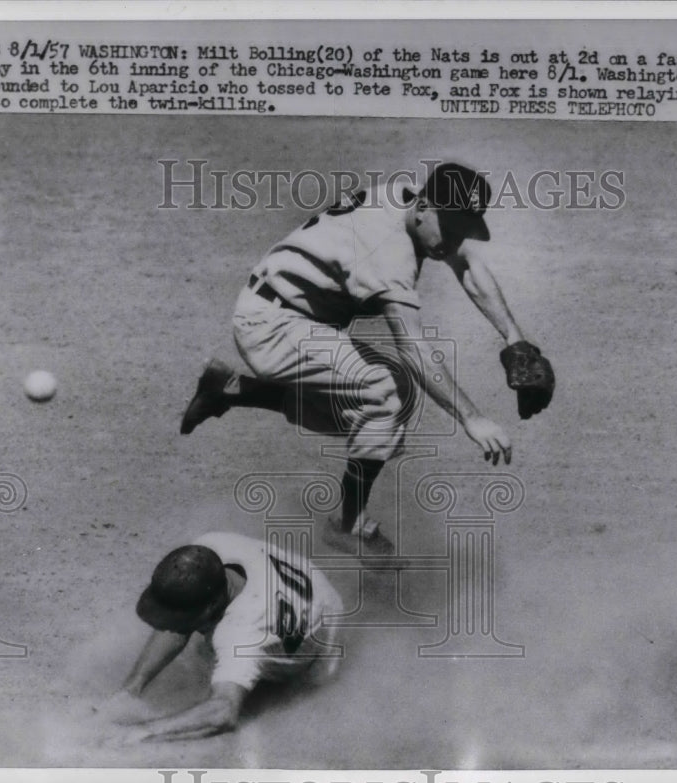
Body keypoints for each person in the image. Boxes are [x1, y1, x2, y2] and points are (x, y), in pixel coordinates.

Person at [181, 162, 532, 556]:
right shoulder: (389, 254)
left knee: (363, 410)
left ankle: (229, 390)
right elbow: (412, 347)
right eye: (450, 228)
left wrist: (515, 339)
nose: (453, 241)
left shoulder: (406, 198)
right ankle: (347, 525)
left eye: (462, 230)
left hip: (291, 311)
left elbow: (466, 263)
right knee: (387, 394)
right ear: (424, 208)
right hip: (272, 326)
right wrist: (473, 417)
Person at [93, 531, 342, 741]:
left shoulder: (242, 635)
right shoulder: (206, 549)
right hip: (304, 580)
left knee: (311, 692)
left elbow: (223, 712)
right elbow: (176, 621)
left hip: (319, 634)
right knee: (197, 630)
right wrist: (131, 689)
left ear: (212, 605)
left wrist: (141, 732)